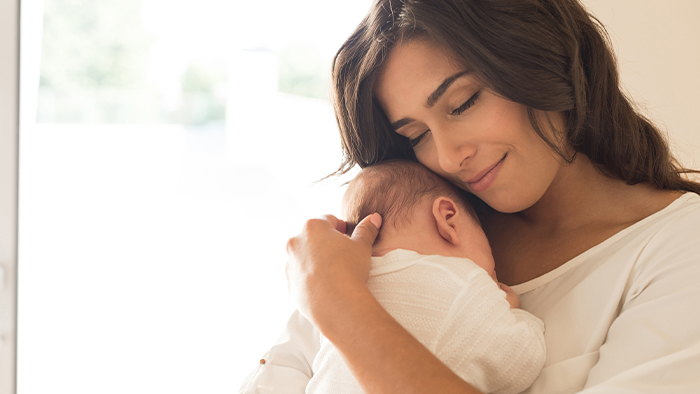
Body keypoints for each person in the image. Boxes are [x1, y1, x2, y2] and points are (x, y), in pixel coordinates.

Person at [281, 0, 700, 393]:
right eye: (417, 135)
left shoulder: (680, 247)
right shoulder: (415, 233)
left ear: (540, 59)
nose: (447, 157)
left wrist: (341, 306)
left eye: (462, 104)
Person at [296, 159, 544, 394]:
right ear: (448, 219)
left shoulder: (345, 293)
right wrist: (512, 312)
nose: (492, 273)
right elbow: (521, 364)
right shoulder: (462, 282)